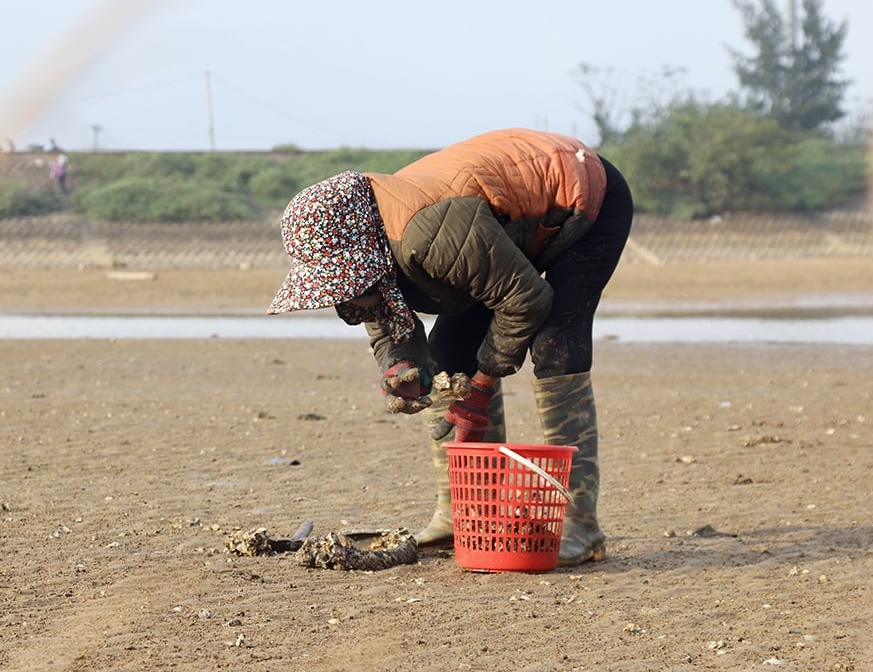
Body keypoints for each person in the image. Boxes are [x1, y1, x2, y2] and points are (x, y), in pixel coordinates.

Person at [267, 128, 634, 566]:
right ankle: (468, 516)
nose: (344, 300)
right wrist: (399, 366)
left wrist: (479, 389)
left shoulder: (429, 235)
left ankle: (582, 525)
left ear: (367, 251)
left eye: (344, 285)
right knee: (445, 361)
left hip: (578, 198)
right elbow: (385, 318)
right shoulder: (377, 251)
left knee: (556, 346)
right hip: (497, 234)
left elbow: (525, 301)